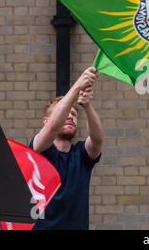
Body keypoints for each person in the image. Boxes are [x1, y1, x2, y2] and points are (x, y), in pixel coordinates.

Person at [29, 66, 103, 230]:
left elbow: (97, 140)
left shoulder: (81, 154)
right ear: (45, 121)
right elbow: (54, 126)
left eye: (74, 114)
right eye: (65, 113)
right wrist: (77, 87)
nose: (70, 116)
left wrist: (88, 106)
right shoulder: (39, 149)